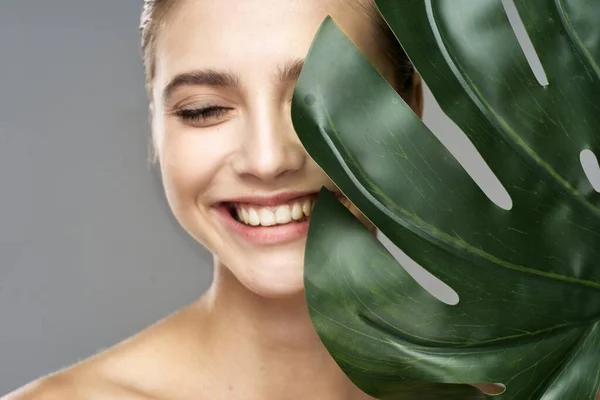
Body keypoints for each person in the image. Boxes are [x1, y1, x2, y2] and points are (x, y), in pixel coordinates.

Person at [3, 0, 510, 399]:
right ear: (155, 125)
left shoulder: (542, 388)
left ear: (411, 103)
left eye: (325, 93)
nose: (268, 160)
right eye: (204, 110)